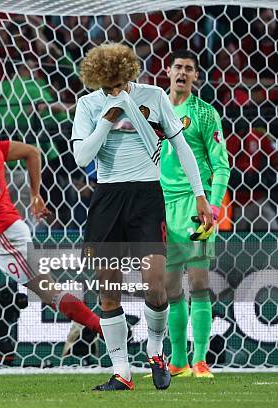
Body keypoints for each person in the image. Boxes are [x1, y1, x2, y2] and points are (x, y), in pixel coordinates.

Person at [71, 43, 213, 391]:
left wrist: (200, 196)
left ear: (128, 74)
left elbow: (181, 147)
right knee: (109, 292)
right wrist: (106, 119)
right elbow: (81, 157)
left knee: (156, 285)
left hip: (148, 197)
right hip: (107, 197)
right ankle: (122, 371)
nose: (113, 91)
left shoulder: (152, 96)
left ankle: (155, 350)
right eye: (106, 86)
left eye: (117, 84)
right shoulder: (89, 105)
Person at [0, 108, 104, 347]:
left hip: (5, 236)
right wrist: (35, 194)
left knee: (49, 293)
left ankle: (103, 328)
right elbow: (32, 152)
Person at [161, 50, 230, 379]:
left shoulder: (204, 113)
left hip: (196, 204)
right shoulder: (154, 110)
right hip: (163, 207)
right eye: (178, 67)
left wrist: (214, 205)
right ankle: (178, 361)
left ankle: (200, 359)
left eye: (189, 69)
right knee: (171, 288)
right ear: (169, 71)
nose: (183, 73)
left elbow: (221, 164)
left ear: (196, 77)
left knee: (199, 283)